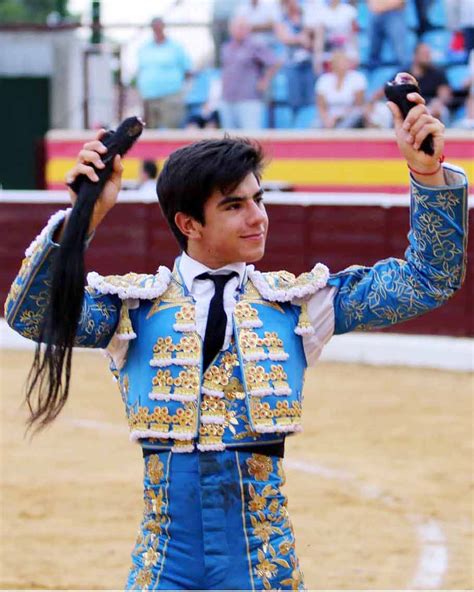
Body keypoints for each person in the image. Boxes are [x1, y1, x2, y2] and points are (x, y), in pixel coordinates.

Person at [5, 83, 468, 589]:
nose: (258, 217)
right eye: (234, 206)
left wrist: (427, 175)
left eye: (258, 199)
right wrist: (81, 220)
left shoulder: (301, 304)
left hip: (263, 569)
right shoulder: (133, 310)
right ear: (189, 223)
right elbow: (30, 313)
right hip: (163, 569)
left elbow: (429, 278)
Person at [220, 16, 280, 129]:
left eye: (243, 27)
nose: (239, 30)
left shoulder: (255, 45)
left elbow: (274, 62)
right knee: (228, 141)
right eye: (237, 27)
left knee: (249, 140)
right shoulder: (226, 47)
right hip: (227, 99)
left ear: (248, 29)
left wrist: (265, 81)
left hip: (249, 100)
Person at [137, 17, 192, 129]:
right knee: (150, 133)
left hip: (171, 97)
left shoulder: (176, 47)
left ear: (163, 27)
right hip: (149, 97)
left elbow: (187, 71)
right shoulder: (144, 48)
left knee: (172, 131)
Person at [275, 0, 315, 125]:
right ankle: (295, 125)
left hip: (308, 63)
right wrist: (300, 38)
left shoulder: (307, 16)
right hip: (292, 65)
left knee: (310, 100)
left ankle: (309, 126)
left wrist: (303, 39)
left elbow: (313, 37)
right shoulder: (281, 19)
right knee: (295, 100)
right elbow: (284, 38)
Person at [315, 49, 367, 128]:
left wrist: (338, 117)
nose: (341, 64)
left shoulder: (358, 78)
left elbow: (358, 105)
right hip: (329, 117)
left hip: (350, 114)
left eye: (344, 62)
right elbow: (321, 107)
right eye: (338, 62)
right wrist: (326, 119)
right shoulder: (324, 80)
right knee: (316, 125)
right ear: (333, 64)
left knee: (349, 121)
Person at [367, 0, 408, 70]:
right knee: (372, 56)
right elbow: (373, 6)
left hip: (394, 15)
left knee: (401, 54)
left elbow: (401, 3)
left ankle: (405, 74)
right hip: (376, 16)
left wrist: (381, 5)